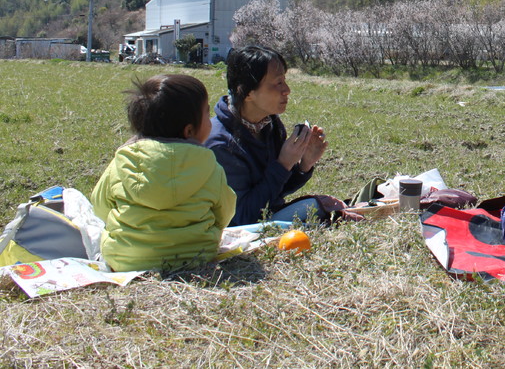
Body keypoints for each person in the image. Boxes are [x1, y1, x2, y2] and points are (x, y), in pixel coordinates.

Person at [91, 74, 236, 271]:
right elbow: (225, 212)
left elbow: (100, 206)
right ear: (190, 131)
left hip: (126, 260)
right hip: (197, 255)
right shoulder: (209, 165)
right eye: (206, 113)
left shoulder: (123, 161)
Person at [205, 45, 329, 226]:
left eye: (284, 80)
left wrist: (304, 165)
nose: (287, 90)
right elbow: (240, 217)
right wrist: (284, 164)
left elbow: (275, 192)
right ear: (246, 92)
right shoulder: (220, 144)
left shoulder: (270, 125)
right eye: (278, 83)